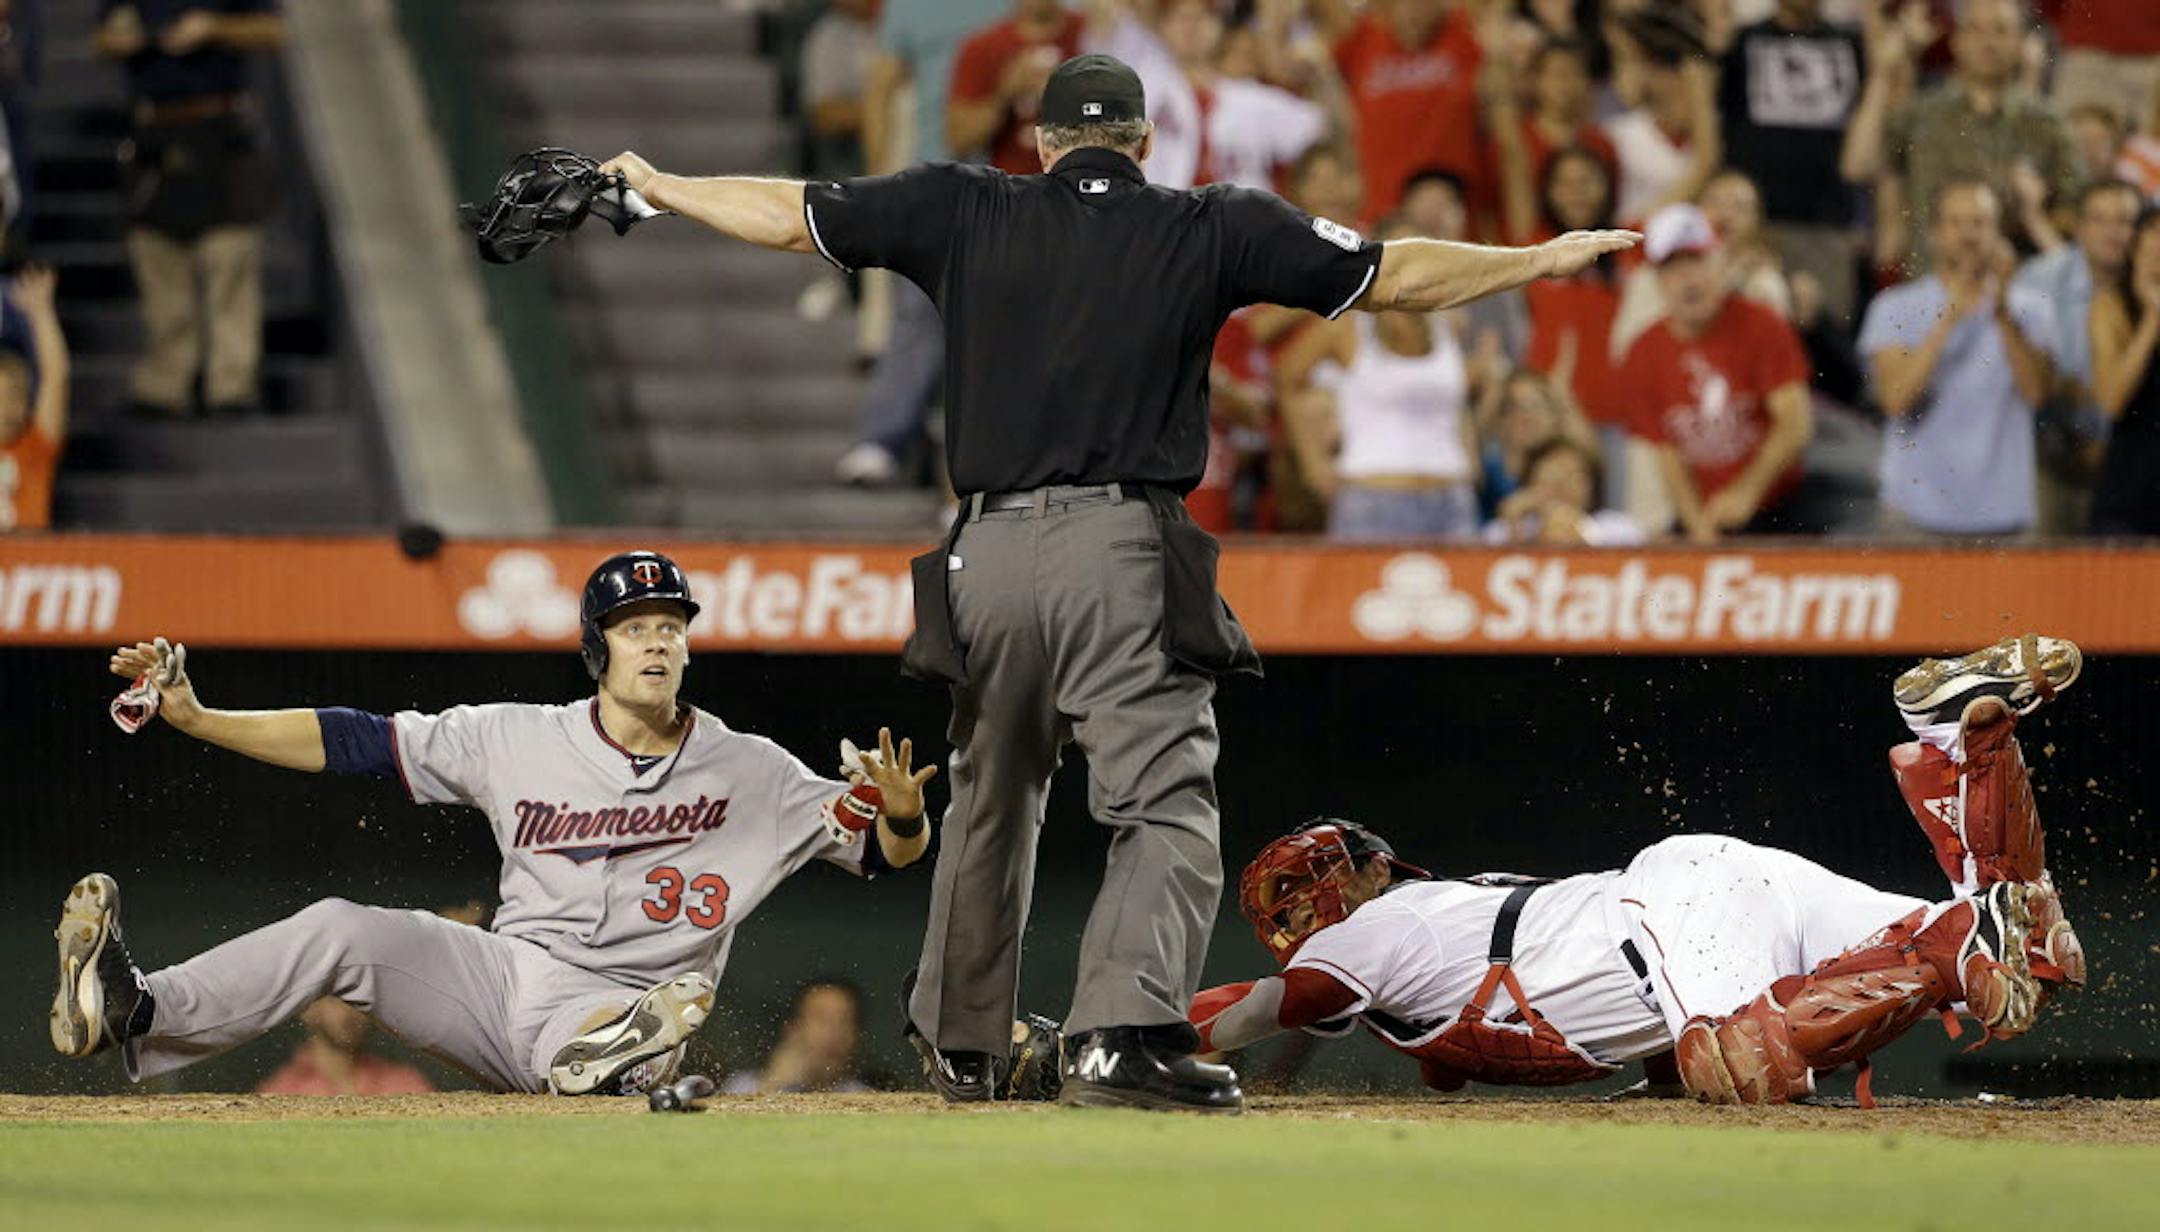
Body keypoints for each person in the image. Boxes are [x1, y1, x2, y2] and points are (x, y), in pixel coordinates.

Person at [591, 53, 1635, 1113]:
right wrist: (1539, 257)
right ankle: (1120, 1035)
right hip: (1119, 544)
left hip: (983, 552)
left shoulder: (964, 203)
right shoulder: (1208, 220)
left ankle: (964, 1041)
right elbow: (1392, 273)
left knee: (993, 796)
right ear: (1143, 141)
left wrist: (664, 184)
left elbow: (786, 212)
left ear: (1041, 145)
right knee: (1165, 803)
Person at [49, 552, 939, 1097]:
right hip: (500, 979)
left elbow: (879, 853)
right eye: (636, 628)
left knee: (623, 1028)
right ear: (599, 646)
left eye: (671, 625)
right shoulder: (514, 736)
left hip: (626, 998)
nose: (659, 641)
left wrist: (904, 815)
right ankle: (135, 1007)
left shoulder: (752, 767)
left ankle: (611, 1063)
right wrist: (201, 720)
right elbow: (356, 741)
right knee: (340, 929)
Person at [1190, 635, 2088, 1106]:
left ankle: (1953, 935)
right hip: (1705, 897)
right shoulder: (1426, 943)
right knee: (2023, 957)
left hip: (1673, 909)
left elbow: (1269, 1008)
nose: (1320, 905)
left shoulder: (1382, 931)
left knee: (1738, 1065)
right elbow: (1451, 1063)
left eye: (1316, 890)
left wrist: (1131, 1036)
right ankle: (1954, 737)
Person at [833, 0, 1010, 486]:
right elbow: (881, 87)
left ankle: (971, 466)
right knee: (917, 313)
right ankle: (882, 438)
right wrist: (873, 183)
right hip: (939, 176)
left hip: (1019, 181)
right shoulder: (911, 6)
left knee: (999, 335)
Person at [92, 1, 284, 419]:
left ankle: (232, 386)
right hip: (153, 134)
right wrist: (124, 39)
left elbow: (273, 31)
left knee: (229, 259)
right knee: (159, 264)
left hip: (220, 132)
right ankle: (166, 382)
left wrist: (213, 27)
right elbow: (102, 36)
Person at [1859, 179, 2061, 538]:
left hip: (2005, 514)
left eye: (1979, 223)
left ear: (1998, 232)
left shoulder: (2033, 309)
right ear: (1936, 232)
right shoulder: (1894, 307)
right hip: (1914, 512)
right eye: (1956, 223)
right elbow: (1895, 399)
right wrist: (1946, 320)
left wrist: (2002, 314)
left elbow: (2037, 394)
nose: (1968, 235)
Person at [1278, 219, 1486, 540]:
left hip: (1452, 499)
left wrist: (1469, 459)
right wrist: (1313, 463)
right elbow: (1286, 379)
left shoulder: (1450, 324)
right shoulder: (1346, 328)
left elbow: (1454, 403)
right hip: (1372, 499)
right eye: (1398, 253)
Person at [1617, 203, 1813, 541]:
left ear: (1721, 266)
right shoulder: (1642, 353)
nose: (1688, 279)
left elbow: (1795, 425)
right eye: (1674, 268)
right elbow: (1668, 455)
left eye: (1698, 262)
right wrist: (1698, 529)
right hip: (1703, 514)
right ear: (1659, 281)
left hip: (1777, 506)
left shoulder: (1763, 325)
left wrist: (1746, 494)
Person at [1852, 0, 2081, 274]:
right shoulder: (1920, 113)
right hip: (1929, 285)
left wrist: (2034, 214)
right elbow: (1858, 165)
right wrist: (1881, 74)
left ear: (2021, 42)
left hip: (2013, 290)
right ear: (1957, 41)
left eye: (2001, 30)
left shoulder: (2047, 125)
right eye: (1976, 29)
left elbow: (2077, 212)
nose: (1988, 42)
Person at [1719, 0, 1867, 325]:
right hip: (1757, 227)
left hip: (1828, 226)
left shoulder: (1852, 42)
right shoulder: (1741, 41)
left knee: (1826, 343)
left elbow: (1871, 130)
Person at [2013, 179, 2144, 535]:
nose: (2113, 233)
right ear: (2079, 228)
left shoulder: (2152, 278)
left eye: (2125, 221)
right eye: (2099, 220)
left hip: (2134, 460)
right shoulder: (2037, 281)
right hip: (2054, 449)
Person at [1321, 0, 1489, 219]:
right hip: (1379, 211)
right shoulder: (1362, 40)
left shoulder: (1461, 36)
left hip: (1447, 210)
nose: (1412, 12)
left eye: (1422, 4)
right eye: (1403, 4)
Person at [2088, 205, 2160, 535]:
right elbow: (2112, 400)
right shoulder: (2110, 307)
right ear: (2135, 249)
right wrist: (2153, 320)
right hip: (2129, 490)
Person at [256, 996, 435, 1096]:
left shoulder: (405, 1083)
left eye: (358, 1001)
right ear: (306, 1009)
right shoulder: (281, 1091)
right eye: (335, 999)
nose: (348, 1012)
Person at [1483, 434, 1644, 545]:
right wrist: (1514, 527)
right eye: (1553, 475)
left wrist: (1577, 529)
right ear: (1530, 484)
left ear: (1592, 488)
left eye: (1573, 476)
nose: (1562, 486)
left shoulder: (1619, 527)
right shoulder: (1502, 530)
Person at [722, 979, 873, 1095]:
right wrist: (773, 1084)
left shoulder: (866, 1099)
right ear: (793, 1030)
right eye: (821, 1019)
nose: (834, 1032)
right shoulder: (742, 1087)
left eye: (845, 1021)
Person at [0, 265, 65, 532]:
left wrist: (42, 315)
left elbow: (55, 376)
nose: (6, 408)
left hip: (31, 565)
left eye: (14, 396)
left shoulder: (36, 445)